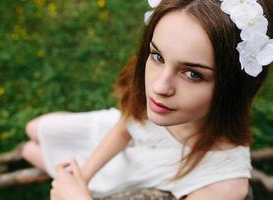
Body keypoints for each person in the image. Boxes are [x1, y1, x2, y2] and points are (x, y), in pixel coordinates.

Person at [22, 0, 273, 199]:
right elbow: (126, 126)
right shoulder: (164, 102)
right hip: (111, 137)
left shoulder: (225, 186)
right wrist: (82, 176)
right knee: (32, 129)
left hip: (127, 175)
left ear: (233, 87)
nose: (159, 87)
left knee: (30, 150)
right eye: (158, 56)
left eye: (192, 74)